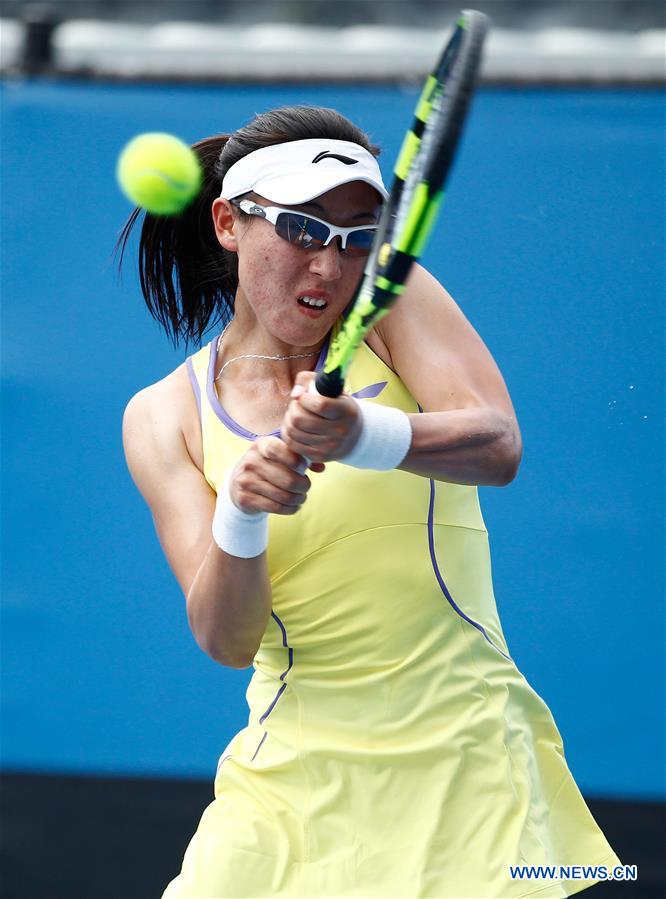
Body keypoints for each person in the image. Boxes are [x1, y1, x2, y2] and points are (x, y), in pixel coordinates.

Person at [120, 105, 620, 897]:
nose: (330, 264)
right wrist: (241, 515)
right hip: (286, 788)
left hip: (466, 764)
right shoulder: (161, 416)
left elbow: (497, 444)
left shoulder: (392, 304)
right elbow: (225, 637)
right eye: (302, 229)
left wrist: (365, 433)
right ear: (228, 222)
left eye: (358, 236)